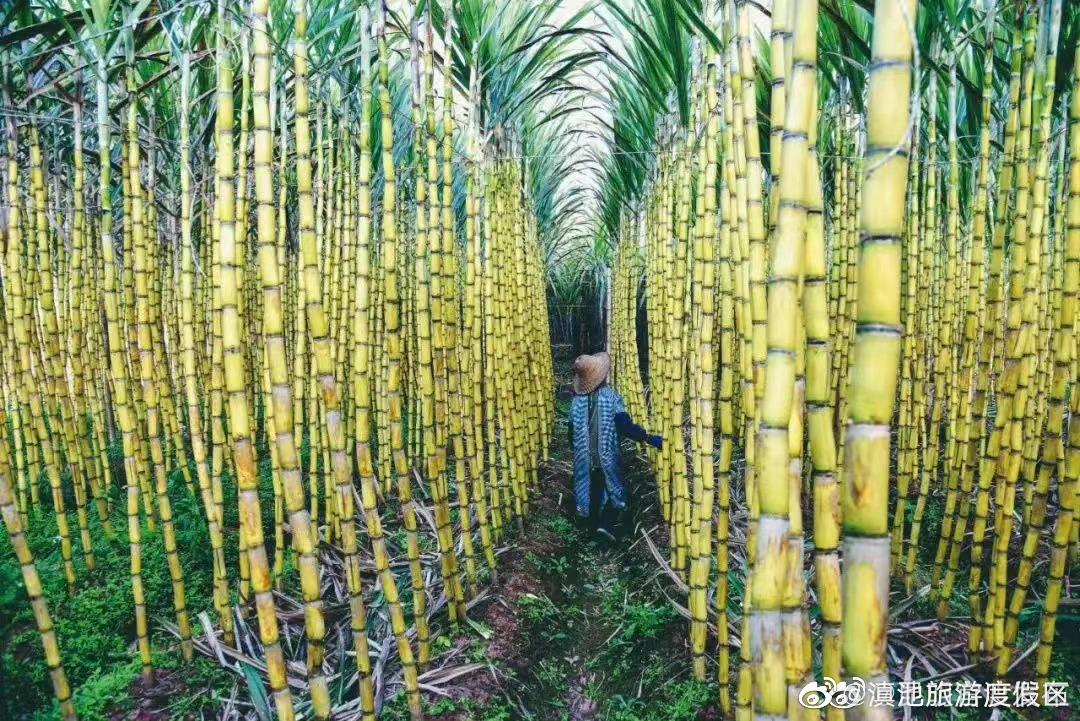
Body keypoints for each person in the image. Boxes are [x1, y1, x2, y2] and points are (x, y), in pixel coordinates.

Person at [568, 351, 662, 541]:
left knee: (588, 487)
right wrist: (649, 438)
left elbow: (570, 432)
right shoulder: (611, 397)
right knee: (613, 487)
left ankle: (589, 527)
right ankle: (607, 525)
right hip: (607, 455)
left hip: (582, 457)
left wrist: (577, 447)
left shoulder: (575, 402)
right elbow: (625, 426)